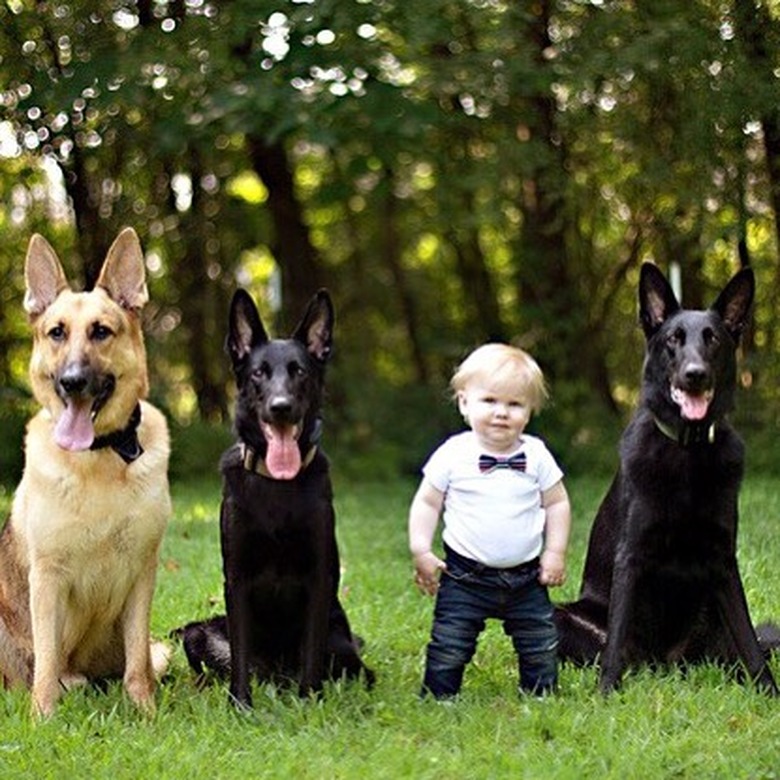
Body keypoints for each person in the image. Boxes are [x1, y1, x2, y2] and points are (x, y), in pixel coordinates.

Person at [408, 343, 571, 699]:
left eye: (515, 404)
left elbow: (557, 503)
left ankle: (540, 693)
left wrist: (554, 553)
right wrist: (421, 548)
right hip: (465, 576)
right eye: (490, 401)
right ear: (465, 402)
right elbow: (427, 502)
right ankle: (440, 696)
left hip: (527, 577)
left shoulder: (536, 455)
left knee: (540, 641)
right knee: (450, 640)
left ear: (530, 411)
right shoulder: (453, 454)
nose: (501, 413)